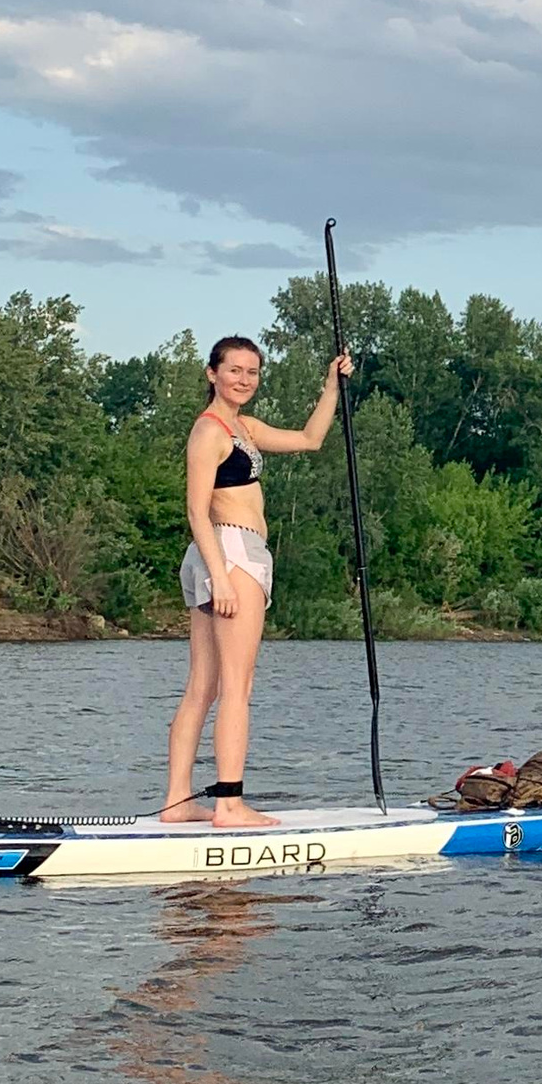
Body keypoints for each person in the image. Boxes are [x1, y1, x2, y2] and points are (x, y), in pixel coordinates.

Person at [161, 333, 352, 825]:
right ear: (212, 374)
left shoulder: (242, 427)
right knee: (236, 687)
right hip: (229, 554)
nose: (244, 379)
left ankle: (178, 802)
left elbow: (310, 440)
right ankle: (229, 803)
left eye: (252, 372)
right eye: (234, 371)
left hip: (227, 555)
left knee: (203, 684)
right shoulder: (211, 432)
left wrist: (331, 387)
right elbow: (196, 508)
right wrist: (222, 577)